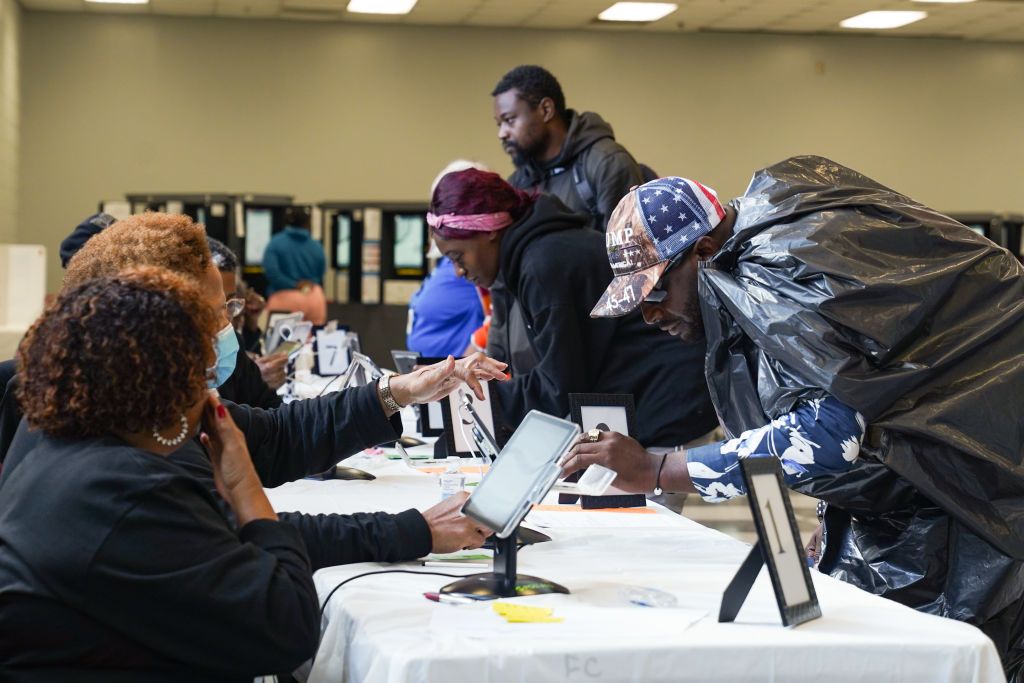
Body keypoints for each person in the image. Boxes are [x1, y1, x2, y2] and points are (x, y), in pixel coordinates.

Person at [561, 158, 1024, 679]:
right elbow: (874, 400)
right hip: (953, 483)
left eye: (657, 293)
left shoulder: (778, 270)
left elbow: (827, 434)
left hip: (985, 499)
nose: (650, 316)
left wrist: (659, 469)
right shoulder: (782, 249)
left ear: (704, 252)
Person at [6, 212, 506, 566]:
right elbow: (249, 555)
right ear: (161, 324)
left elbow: (276, 436)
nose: (229, 326)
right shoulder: (126, 450)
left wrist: (397, 391)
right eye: (216, 310)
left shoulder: (137, 407)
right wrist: (413, 530)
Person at [0, 267, 319, 679]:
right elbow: (288, 627)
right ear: (167, 381)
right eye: (201, 375)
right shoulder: (126, 489)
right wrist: (245, 487)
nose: (209, 390)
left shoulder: (55, 444)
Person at [429, 168, 716, 448]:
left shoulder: (543, 264)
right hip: (665, 405)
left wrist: (471, 394)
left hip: (668, 413)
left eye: (458, 256)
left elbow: (558, 388)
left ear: (489, 231)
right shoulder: (541, 252)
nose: (458, 272)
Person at [491, 64, 645, 232]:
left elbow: (630, 250)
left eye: (509, 120)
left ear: (546, 110)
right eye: (499, 124)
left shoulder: (607, 163)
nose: (502, 133)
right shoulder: (518, 181)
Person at [208, 236, 289, 394]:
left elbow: (268, 406)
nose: (227, 319)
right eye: (216, 305)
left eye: (231, 302)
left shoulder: (231, 343)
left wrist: (251, 326)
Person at [262, 205, 328, 325]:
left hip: (284, 299)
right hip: (314, 297)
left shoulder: (275, 243)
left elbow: (272, 273)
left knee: (281, 341)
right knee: (314, 340)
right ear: (309, 223)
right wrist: (306, 286)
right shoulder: (317, 246)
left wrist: (294, 285)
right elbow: (321, 273)